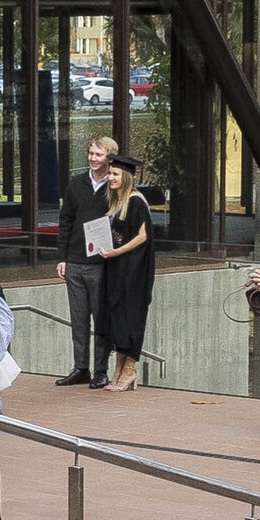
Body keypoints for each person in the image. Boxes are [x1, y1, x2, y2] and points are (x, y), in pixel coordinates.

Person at [56, 133, 122, 385]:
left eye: (98, 155)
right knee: (78, 319)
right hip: (74, 261)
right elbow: (66, 221)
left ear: (109, 158)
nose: (93, 159)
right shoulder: (76, 183)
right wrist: (62, 257)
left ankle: (101, 371)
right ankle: (80, 367)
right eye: (91, 153)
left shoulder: (115, 186)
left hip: (101, 263)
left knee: (101, 318)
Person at [90, 154, 156, 389]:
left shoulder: (137, 201)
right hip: (116, 268)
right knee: (116, 318)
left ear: (126, 177)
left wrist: (116, 252)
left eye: (115, 174)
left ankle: (129, 370)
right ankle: (118, 370)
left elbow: (143, 236)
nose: (110, 177)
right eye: (110, 173)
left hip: (133, 271)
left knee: (130, 319)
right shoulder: (118, 202)